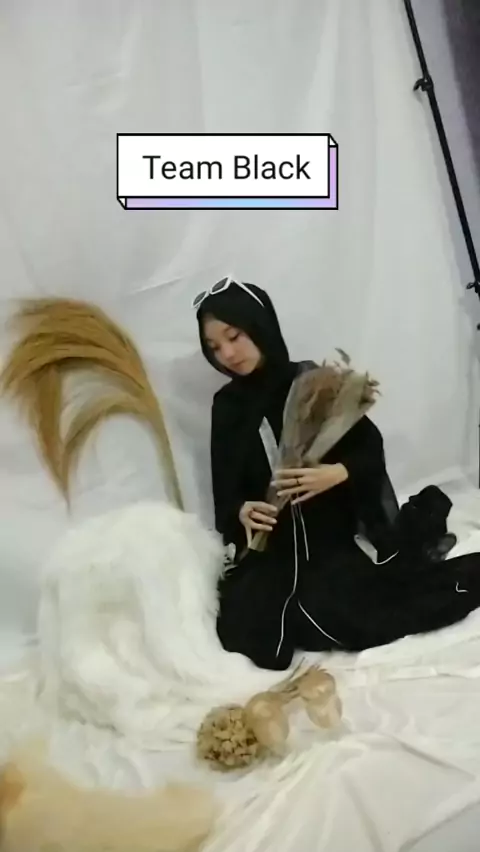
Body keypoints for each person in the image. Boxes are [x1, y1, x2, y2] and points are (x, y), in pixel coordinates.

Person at [195, 277, 480, 671]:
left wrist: (337, 473)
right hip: (272, 551)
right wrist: (242, 511)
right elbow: (225, 491)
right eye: (214, 347)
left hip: (327, 542)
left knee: (359, 614)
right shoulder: (226, 407)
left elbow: (368, 447)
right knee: (245, 630)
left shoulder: (313, 385)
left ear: (259, 326)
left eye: (234, 336)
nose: (227, 353)